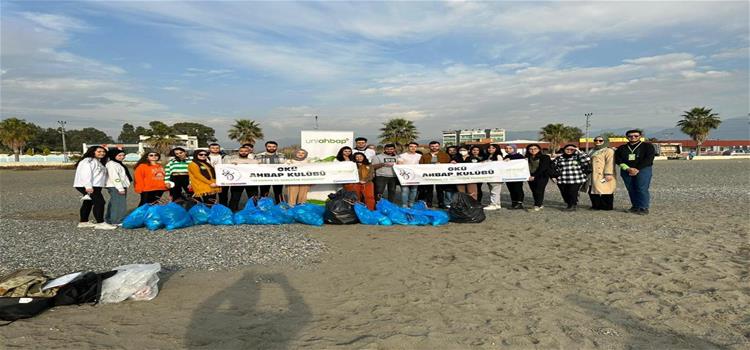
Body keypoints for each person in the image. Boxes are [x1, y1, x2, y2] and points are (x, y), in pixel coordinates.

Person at [73, 146, 116, 229]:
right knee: (100, 202)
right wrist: (88, 186)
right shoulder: (88, 161)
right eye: (99, 151)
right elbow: (86, 174)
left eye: (103, 152)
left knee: (88, 202)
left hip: (95, 185)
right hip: (88, 185)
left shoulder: (97, 161)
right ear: (93, 152)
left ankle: (83, 222)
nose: (102, 153)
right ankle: (100, 223)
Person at [615, 129, 656, 215]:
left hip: (643, 169)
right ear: (627, 137)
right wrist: (627, 169)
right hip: (626, 170)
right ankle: (635, 206)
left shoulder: (647, 146)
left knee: (641, 188)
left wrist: (637, 169)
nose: (633, 137)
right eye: (630, 136)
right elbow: (618, 160)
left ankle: (643, 207)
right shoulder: (622, 148)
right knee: (631, 189)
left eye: (636, 136)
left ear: (640, 136)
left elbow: (649, 159)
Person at [552, 144, 591, 211]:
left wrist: (578, 150)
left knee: (572, 192)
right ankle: (569, 203)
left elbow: (587, 159)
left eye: (571, 149)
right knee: (564, 193)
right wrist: (553, 176)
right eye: (567, 149)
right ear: (564, 150)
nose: (569, 151)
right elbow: (553, 167)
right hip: (562, 179)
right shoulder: (559, 158)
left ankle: (572, 205)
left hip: (576, 179)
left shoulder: (578, 157)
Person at [226, 144, 259, 211]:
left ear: (249, 152)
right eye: (241, 151)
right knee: (234, 198)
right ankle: (232, 212)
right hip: (237, 182)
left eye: (246, 151)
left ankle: (255, 212)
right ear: (239, 152)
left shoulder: (255, 161)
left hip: (251, 182)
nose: (243, 152)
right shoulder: (232, 161)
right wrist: (231, 166)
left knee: (254, 198)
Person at [418, 141, 451, 208]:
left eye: (436, 146)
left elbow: (449, 165)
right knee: (429, 190)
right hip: (428, 175)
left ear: (439, 146)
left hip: (440, 175)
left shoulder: (445, 155)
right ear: (429, 147)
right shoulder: (425, 156)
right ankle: (429, 203)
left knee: (440, 190)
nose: (434, 148)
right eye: (432, 146)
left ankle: (441, 203)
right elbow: (421, 165)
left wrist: (441, 165)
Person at [588, 136, 617, 210]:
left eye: (600, 140)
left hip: (604, 173)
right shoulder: (592, 150)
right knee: (593, 189)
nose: (598, 142)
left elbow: (610, 162)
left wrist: (608, 173)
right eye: (596, 140)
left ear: (605, 141)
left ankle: (607, 206)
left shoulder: (608, 151)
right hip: (593, 173)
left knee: (606, 189)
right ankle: (596, 205)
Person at [104, 148, 132, 225]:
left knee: (114, 202)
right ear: (113, 155)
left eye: (123, 155)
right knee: (119, 204)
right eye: (119, 155)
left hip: (119, 186)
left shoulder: (118, 163)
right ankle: (117, 220)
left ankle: (110, 219)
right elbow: (114, 177)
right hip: (116, 186)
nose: (122, 157)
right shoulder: (112, 164)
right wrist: (120, 188)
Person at [525, 144, 553, 211]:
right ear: (528, 150)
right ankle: (538, 203)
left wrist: (534, 175)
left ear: (539, 149)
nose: (533, 150)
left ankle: (537, 205)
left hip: (542, 176)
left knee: (539, 190)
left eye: (535, 149)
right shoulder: (526, 158)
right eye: (531, 149)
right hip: (530, 176)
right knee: (534, 191)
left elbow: (543, 168)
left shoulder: (545, 157)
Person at [398, 142, 422, 208]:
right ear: (408, 147)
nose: (413, 148)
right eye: (411, 146)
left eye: (415, 146)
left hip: (416, 176)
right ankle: (404, 204)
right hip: (405, 176)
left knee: (414, 190)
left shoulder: (419, 156)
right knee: (405, 190)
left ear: (417, 147)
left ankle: (411, 203)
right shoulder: (402, 155)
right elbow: (399, 164)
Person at [503, 144, 526, 209]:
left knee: (518, 189)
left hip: (518, 176)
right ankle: (514, 202)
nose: (508, 150)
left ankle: (519, 203)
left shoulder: (519, 156)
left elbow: (522, 165)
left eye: (510, 148)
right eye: (506, 148)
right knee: (511, 189)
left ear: (514, 149)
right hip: (508, 176)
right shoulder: (506, 156)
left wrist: (511, 161)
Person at [483, 144, 503, 210]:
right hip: (490, 176)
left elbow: (500, 165)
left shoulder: (498, 156)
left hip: (496, 176)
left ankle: (493, 204)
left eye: (493, 148)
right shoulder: (488, 156)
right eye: (489, 148)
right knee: (493, 190)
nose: (490, 149)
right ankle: (497, 204)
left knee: (495, 191)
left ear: (496, 149)